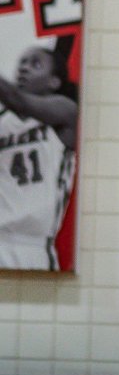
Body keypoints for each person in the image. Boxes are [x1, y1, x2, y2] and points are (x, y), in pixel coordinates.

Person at [0, 43, 79, 271]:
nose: (24, 68)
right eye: (22, 63)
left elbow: (19, 102)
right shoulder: (3, 121)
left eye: (35, 64)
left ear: (53, 82)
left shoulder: (64, 111)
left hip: (32, 246)